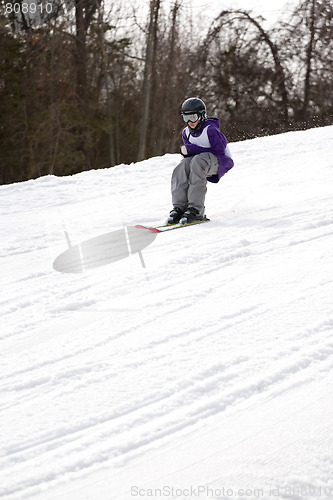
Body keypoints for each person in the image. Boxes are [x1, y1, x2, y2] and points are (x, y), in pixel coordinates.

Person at [167, 97, 234, 224]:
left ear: (202, 115)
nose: (190, 122)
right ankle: (179, 208)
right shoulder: (186, 133)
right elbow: (190, 157)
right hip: (202, 161)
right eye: (186, 118)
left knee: (198, 161)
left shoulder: (211, 130)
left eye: (193, 117)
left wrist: (192, 149)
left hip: (220, 161)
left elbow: (219, 151)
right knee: (182, 166)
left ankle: (196, 210)